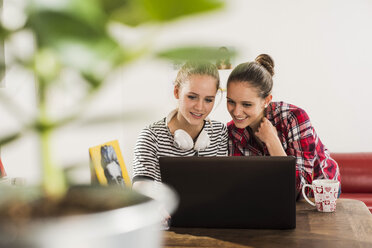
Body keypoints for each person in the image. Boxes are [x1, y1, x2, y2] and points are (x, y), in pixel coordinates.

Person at [226, 54, 341, 199]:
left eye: (246, 104)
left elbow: (300, 189)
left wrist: (273, 142)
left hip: (320, 191)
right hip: (276, 195)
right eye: (231, 101)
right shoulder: (232, 132)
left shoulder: (294, 118)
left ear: (266, 100)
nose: (236, 112)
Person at [132, 61, 228, 226]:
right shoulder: (150, 136)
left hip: (211, 225)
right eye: (192, 97)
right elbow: (141, 185)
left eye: (208, 100)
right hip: (167, 229)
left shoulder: (219, 132)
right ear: (176, 91)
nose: (200, 107)